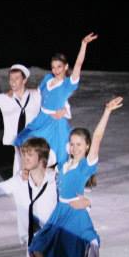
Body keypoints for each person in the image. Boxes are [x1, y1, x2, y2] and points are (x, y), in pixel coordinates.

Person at [28, 96, 123, 257]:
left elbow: (98, 137)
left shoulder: (86, 165)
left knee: (91, 247)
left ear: (87, 146)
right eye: (72, 144)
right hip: (59, 214)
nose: (75, 147)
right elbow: (56, 133)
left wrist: (107, 111)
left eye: (79, 144)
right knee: (36, 249)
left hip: (75, 213)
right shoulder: (63, 163)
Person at [14, 33, 98, 166]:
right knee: (23, 140)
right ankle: (25, 175)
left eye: (59, 66)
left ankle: (64, 179)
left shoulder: (67, 85)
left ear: (65, 67)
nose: (56, 70)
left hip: (56, 123)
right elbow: (38, 93)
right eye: (53, 67)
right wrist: (18, 92)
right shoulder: (48, 78)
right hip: (42, 118)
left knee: (60, 155)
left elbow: (78, 65)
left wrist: (83, 44)